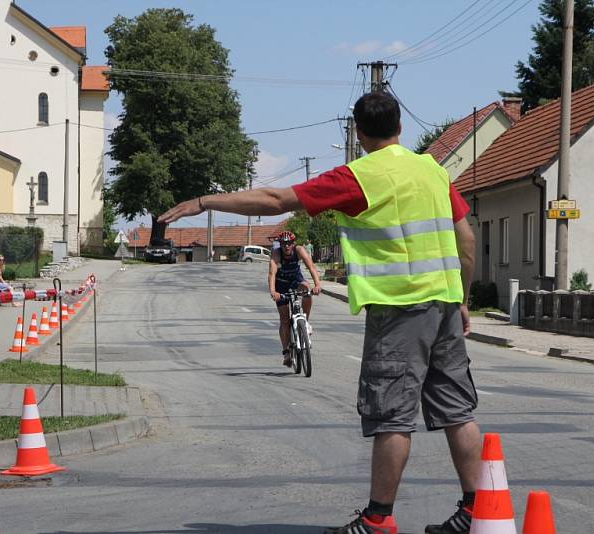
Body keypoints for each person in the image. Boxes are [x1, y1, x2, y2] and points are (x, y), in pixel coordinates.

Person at [160, 91, 479, 534]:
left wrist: (205, 201)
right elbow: (466, 238)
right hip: (445, 303)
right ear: (401, 127)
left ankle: (378, 519)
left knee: (391, 415)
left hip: (400, 309)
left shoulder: (358, 176)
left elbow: (275, 200)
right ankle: (475, 510)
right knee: (457, 410)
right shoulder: (431, 169)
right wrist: (462, 299)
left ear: (359, 133)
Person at [269, 230, 321, 367]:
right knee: (284, 319)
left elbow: (311, 267)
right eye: (284, 244)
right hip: (281, 285)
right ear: (280, 244)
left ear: (293, 243)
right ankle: (286, 352)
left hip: (295, 280)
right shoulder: (276, 253)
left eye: (289, 243)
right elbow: (272, 273)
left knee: (306, 289)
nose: (287, 246)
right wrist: (273, 291)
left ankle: (306, 323)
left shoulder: (299, 250)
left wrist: (317, 285)